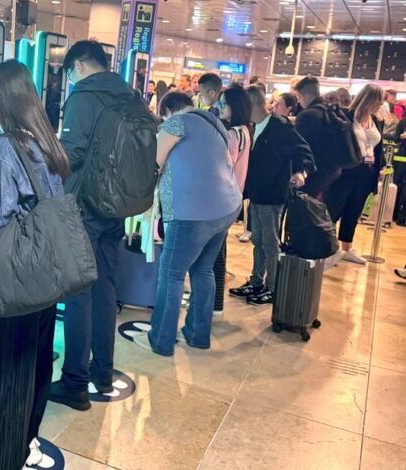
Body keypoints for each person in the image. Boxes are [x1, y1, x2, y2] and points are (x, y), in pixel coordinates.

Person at [0, 60, 68, 470]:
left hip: (15, 273)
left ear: (0, 102)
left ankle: (3, 457)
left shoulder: (5, 149)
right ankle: (26, 442)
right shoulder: (46, 142)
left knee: (8, 362)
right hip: (46, 270)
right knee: (36, 359)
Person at [49, 40, 131, 410]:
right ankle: (103, 371)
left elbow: (72, 153)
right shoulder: (129, 95)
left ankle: (75, 383)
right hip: (117, 205)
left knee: (78, 293)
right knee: (105, 289)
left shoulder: (84, 95)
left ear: (80, 65)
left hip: (86, 206)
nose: (69, 80)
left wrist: (47, 156)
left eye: (69, 73)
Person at [134, 92, 240, 356]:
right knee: (203, 270)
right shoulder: (213, 123)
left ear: (168, 111)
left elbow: (152, 163)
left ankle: (161, 339)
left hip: (192, 212)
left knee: (171, 274)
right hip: (226, 207)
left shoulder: (176, 123)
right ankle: (197, 334)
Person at [229, 86, 315, 306]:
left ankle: (273, 287)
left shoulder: (280, 127)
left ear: (253, 104)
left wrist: (301, 172)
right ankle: (257, 281)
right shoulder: (250, 127)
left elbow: (304, 151)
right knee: (258, 240)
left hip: (272, 194)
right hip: (256, 192)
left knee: (269, 242)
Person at [324, 84, 386, 267]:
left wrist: (380, 167)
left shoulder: (377, 120)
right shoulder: (346, 115)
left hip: (366, 172)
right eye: (378, 100)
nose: (380, 104)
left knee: (354, 211)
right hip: (345, 171)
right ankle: (327, 249)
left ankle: (346, 247)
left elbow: (378, 146)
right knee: (334, 209)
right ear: (368, 99)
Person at [213, 85, 252, 315]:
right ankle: (215, 302)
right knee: (218, 251)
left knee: (214, 255)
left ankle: (214, 303)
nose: (219, 107)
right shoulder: (245, 130)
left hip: (222, 199)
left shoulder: (232, 135)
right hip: (233, 198)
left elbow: (222, 166)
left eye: (224, 103)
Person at [295, 76, 343, 201]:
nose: (299, 102)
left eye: (299, 97)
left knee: (304, 209)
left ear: (307, 96)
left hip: (314, 173)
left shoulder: (307, 116)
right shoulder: (331, 111)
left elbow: (299, 146)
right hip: (334, 171)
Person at [390, 115, 406, 226]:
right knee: (396, 187)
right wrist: (402, 136)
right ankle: (393, 214)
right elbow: (395, 138)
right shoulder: (402, 123)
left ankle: (402, 217)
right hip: (400, 160)